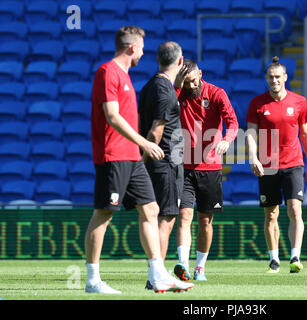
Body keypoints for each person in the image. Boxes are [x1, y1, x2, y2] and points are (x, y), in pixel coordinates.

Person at [86, 26, 193, 294]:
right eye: (142, 48)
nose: (144, 53)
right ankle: (92, 279)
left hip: (131, 157)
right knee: (104, 213)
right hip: (114, 155)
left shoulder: (125, 76)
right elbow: (112, 116)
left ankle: (157, 274)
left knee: (151, 210)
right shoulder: (107, 72)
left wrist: (138, 149)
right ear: (132, 48)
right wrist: (144, 142)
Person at [245, 56, 307, 274]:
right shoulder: (258, 103)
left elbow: (305, 134)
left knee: (295, 209)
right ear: (266, 78)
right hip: (268, 166)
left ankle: (295, 256)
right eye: (271, 77)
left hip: (293, 163)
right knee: (271, 214)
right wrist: (253, 157)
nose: (274, 80)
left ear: (285, 78)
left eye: (278, 77)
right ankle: (274, 260)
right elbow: (250, 133)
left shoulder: (299, 102)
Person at [173, 59, 239, 281]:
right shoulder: (180, 92)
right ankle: (182, 265)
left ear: (200, 74)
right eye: (186, 82)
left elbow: (233, 123)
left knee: (205, 220)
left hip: (210, 166)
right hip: (184, 166)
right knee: (184, 216)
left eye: (193, 81)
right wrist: (177, 84)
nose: (191, 86)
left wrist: (227, 141)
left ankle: (200, 267)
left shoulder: (217, 93)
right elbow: (164, 107)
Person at [138, 41, 185, 271]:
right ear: (180, 61)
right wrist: (143, 161)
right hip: (165, 163)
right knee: (165, 219)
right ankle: (157, 273)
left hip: (160, 163)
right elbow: (156, 130)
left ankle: (155, 272)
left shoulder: (150, 86)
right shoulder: (165, 91)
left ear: (158, 60)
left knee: (157, 216)